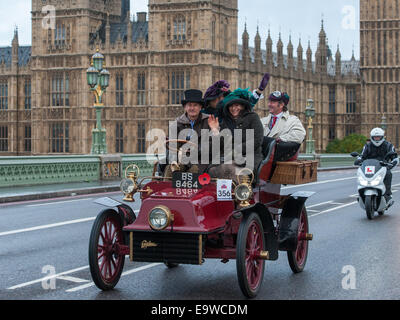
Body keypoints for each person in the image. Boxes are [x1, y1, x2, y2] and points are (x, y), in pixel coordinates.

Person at [207, 88, 264, 180]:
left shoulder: (253, 118)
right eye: (231, 106)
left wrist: (235, 150)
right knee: (211, 170)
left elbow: (257, 140)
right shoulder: (225, 122)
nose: (234, 108)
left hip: (249, 157)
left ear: (243, 106)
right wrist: (215, 130)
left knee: (228, 168)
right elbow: (220, 144)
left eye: (237, 105)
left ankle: (242, 191)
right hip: (227, 158)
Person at [164, 89, 211, 175]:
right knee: (170, 170)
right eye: (189, 105)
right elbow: (172, 146)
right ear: (185, 107)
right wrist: (175, 160)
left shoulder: (208, 121)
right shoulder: (177, 123)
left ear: (200, 107)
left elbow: (213, 144)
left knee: (194, 171)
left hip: (201, 160)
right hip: (181, 159)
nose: (192, 108)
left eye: (195, 105)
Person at [354, 127, 399, 203]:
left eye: (378, 137)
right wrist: (358, 160)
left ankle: (387, 195)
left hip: (384, 167)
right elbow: (362, 156)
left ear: (382, 137)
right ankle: (361, 193)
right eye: (375, 137)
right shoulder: (367, 146)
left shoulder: (389, 145)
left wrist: (392, 164)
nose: (377, 139)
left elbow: (395, 158)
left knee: (388, 174)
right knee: (360, 174)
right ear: (372, 137)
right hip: (370, 167)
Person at [202, 73, 270, 122]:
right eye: (216, 99)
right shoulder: (204, 113)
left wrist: (259, 91)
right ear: (209, 101)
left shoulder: (228, 110)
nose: (220, 100)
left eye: (221, 97)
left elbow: (248, 103)